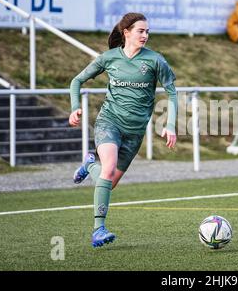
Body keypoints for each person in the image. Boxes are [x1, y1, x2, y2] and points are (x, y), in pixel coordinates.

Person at [69, 12, 177, 248]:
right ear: (126, 32)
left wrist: (170, 125)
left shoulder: (156, 61)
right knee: (108, 170)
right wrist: (75, 108)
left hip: (135, 132)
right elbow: (76, 81)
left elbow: (172, 92)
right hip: (109, 122)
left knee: (110, 181)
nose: (145, 35)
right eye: (141, 31)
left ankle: (89, 165)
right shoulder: (109, 58)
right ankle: (98, 229)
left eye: (148, 31)